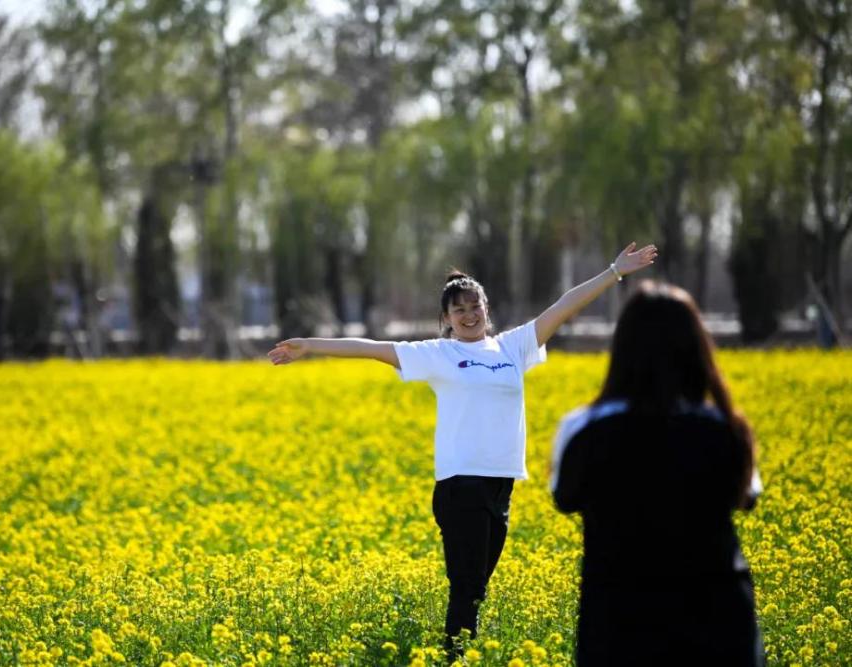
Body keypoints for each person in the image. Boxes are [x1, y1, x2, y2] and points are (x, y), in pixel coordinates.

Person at [268, 242, 658, 658]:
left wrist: (614, 271)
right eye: (459, 311)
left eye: (476, 307)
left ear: (486, 309)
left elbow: (563, 307)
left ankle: (458, 653)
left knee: (476, 590)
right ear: (446, 319)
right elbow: (369, 347)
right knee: (467, 587)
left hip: (502, 484)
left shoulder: (512, 347)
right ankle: (455, 658)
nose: (469, 316)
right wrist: (309, 345)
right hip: (460, 485)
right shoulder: (439, 354)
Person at [550, 281, 764, 666]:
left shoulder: (583, 428)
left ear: (622, 348)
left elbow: (564, 498)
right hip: (718, 624)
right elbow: (746, 497)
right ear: (698, 349)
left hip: (619, 628)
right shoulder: (727, 427)